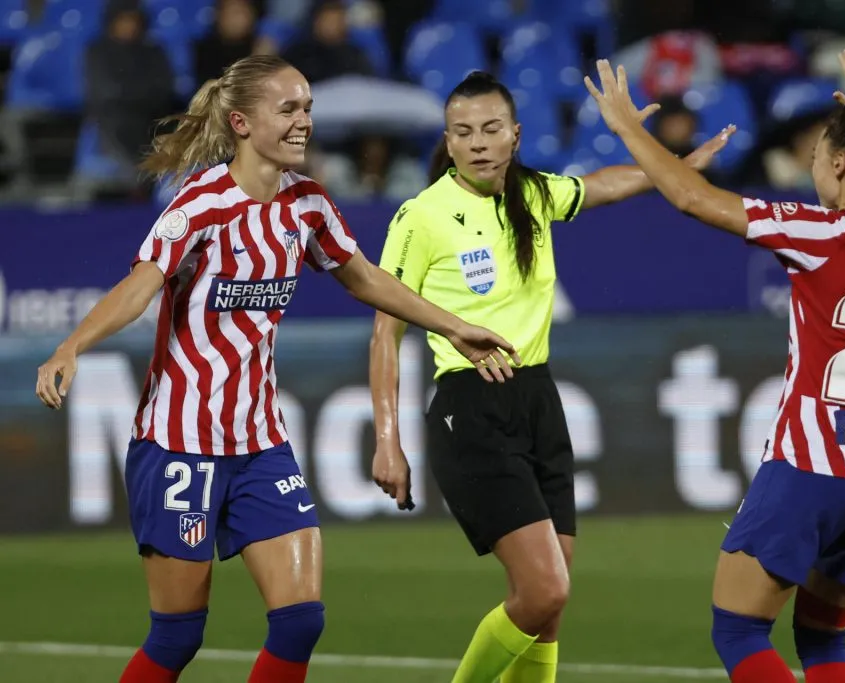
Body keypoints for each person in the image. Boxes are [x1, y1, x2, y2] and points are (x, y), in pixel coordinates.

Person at [35, 55, 520, 683]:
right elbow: (141, 285)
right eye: (288, 109)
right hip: (180, 442)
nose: (303, 122)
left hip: (260, 440)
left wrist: (453, 325)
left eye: (308, 108)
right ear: (240, 122)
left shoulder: (307, 205)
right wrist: (72, 344)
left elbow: (365, 279)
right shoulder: (200, 205)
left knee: (300, 621)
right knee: (177, 637)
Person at [585, 50, 845, 683]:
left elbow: (693, 198)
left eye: (818, 158)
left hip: (815, 465)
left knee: (739, 629)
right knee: (823, 642)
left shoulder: (821, 234)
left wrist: (627, 128)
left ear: (840, 162)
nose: (812, 169)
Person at [367, 70, 734, 683]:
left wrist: (674, 168)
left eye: (490, 129)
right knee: (542, 592)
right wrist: (386, 440)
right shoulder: (421, 216)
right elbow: (386, 331)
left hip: (538, 400)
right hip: (471, 407)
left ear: (514, 134)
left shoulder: (533, 193)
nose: (479, 143)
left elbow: (600, 188)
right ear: (449, 142)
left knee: (550, 609)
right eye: (463, 132)